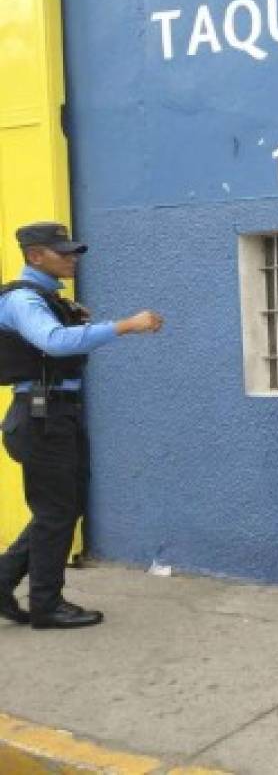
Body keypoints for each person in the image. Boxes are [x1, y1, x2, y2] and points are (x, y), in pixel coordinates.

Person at [0, 222, 163, 629]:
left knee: (59, 508)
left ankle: (3, 582)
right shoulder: (23, 300)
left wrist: (78, 320)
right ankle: (46, 605)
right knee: (57, 511)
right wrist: (126, 325)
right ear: (35, 256)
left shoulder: (47, 297)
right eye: (63, 252)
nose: (72, 258)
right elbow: (53, 342)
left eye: (72, 251)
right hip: (42, 416)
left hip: (54, 413)